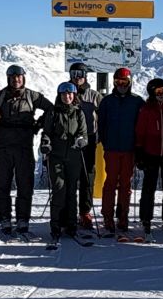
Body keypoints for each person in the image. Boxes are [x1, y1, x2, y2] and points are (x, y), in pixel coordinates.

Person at [0, 63, 48, 237]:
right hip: (3, 147)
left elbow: (51, 109)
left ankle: (23, 219)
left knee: (25, 185)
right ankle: (5, 218)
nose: (16, 80)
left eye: (19, 77)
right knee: (2, 185)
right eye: (13, 77)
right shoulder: (0, 96)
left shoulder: (32, 96)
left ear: (23, 78)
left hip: (24, 147)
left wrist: (39, 123)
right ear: (8, 79)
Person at [41, 82, 93, 243]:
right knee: (59, 190)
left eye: (70, 94)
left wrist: (81, 141)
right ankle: (56, 225)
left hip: (73, 157)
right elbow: (46, 133)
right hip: (56, 157)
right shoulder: (53, 112)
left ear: (74, 95)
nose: (67, 96)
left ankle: (71, 225)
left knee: (71, 191)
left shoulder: (78, 113)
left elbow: (84, 134)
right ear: (60, 95)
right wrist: (46, 143)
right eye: (64, 94)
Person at [98, 67, 145, 236]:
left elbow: (142, 125)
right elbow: (101, 124)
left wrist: (139, 146)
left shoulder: (137, 101)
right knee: (110, 183)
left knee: (125, 184)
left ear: (130, 82)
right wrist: (105, 141)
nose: (121, 85)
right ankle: (108, 217)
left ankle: (123, 216)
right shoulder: (107, 101)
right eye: (118, 82)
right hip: (111, 148)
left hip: (129, 148)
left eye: (124, 82)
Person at [134, 77, 163, 238]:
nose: (161, 94)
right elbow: (140, 131)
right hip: (150, 152)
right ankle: (146, 217)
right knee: (149, 187)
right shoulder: (147, 109)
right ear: (152, 92)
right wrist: (139, 151)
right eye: (158, 91)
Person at [66, 61, 102, 232]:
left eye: (80, 74)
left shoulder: (94, 95)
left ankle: (85, 212)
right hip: (69, 140)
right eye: (74, 74)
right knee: (70, 177)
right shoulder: (66, 93)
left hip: (89, 139)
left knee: (87, 177)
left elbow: (105, 115)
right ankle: (70, 212)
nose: (77, 77)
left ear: (86, 76)